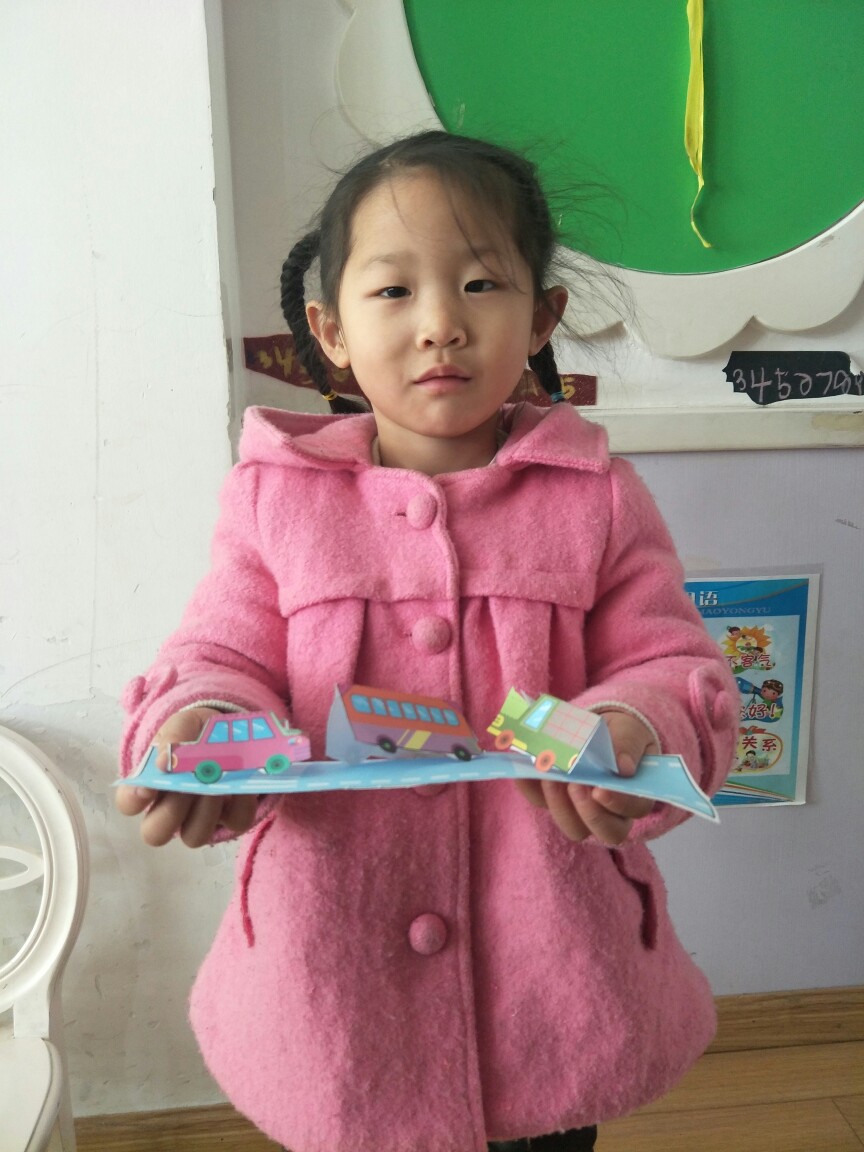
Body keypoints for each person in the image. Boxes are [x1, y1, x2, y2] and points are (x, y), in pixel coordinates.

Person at [116, 131, 738, 1152]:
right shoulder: (275, 500)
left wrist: (632, 726)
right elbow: (222, 654)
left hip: (548, 981)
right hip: (338, 985)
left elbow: (671, 665)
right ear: (331, 331)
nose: (441, 322)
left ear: (541, 318)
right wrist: (200, 724)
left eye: (482, 284)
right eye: (394, 291)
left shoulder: (596, 499)